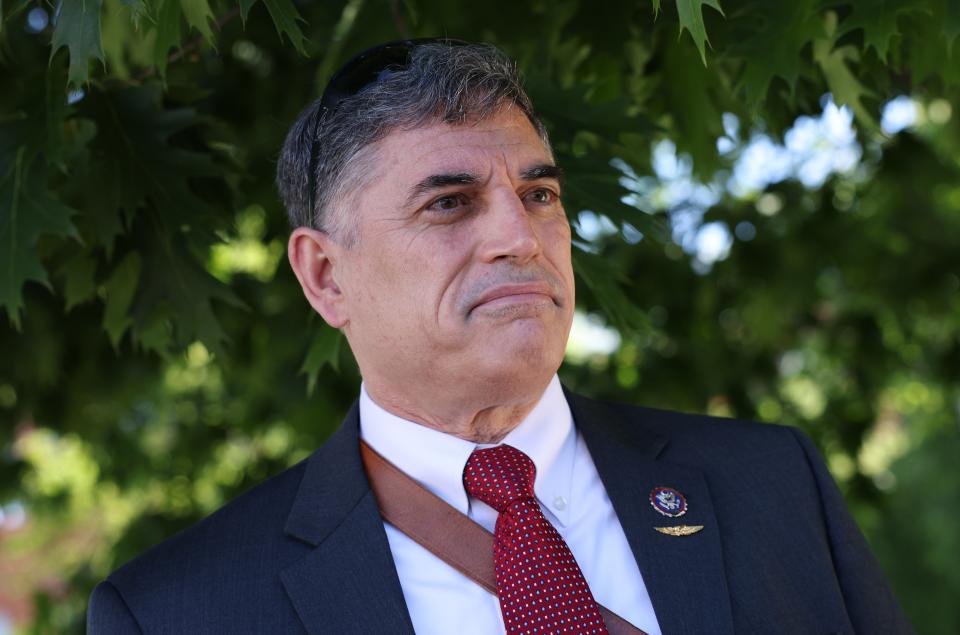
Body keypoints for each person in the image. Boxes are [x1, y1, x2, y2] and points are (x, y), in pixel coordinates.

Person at [87, 39, 913, 635]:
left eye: (540, 194)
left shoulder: (771, 484)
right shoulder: (178, 610)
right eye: (449, 203)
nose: (520, 234)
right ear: (326, 276)